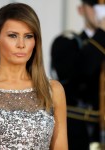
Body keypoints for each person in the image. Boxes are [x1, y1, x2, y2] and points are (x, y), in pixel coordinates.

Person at [0, 3, 68, 150]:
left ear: (35, 42)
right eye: (13, 36)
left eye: (28, 36)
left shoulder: (53, 90)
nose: (21, 44)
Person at [51, 0, 105, 150]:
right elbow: (81, 71)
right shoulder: (66, 42)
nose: (101, 10)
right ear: (81, 10)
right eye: (96, 5)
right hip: (79, 135)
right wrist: (102, 33)